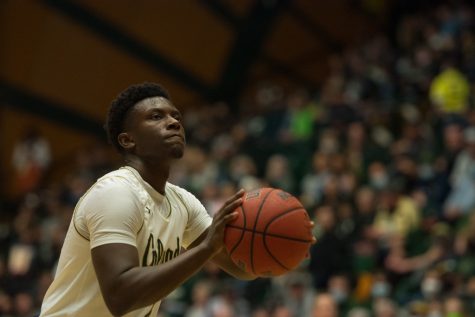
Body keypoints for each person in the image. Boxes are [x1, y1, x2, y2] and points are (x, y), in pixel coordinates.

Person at [39, 83, 258, 317]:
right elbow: (120, 296)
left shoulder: (183, 203)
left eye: (176, 116)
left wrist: (290, 246)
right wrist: (206, 249)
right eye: (156, 116)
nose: (174, 122)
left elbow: (240, 266)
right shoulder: (115, 192)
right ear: (127, 140)